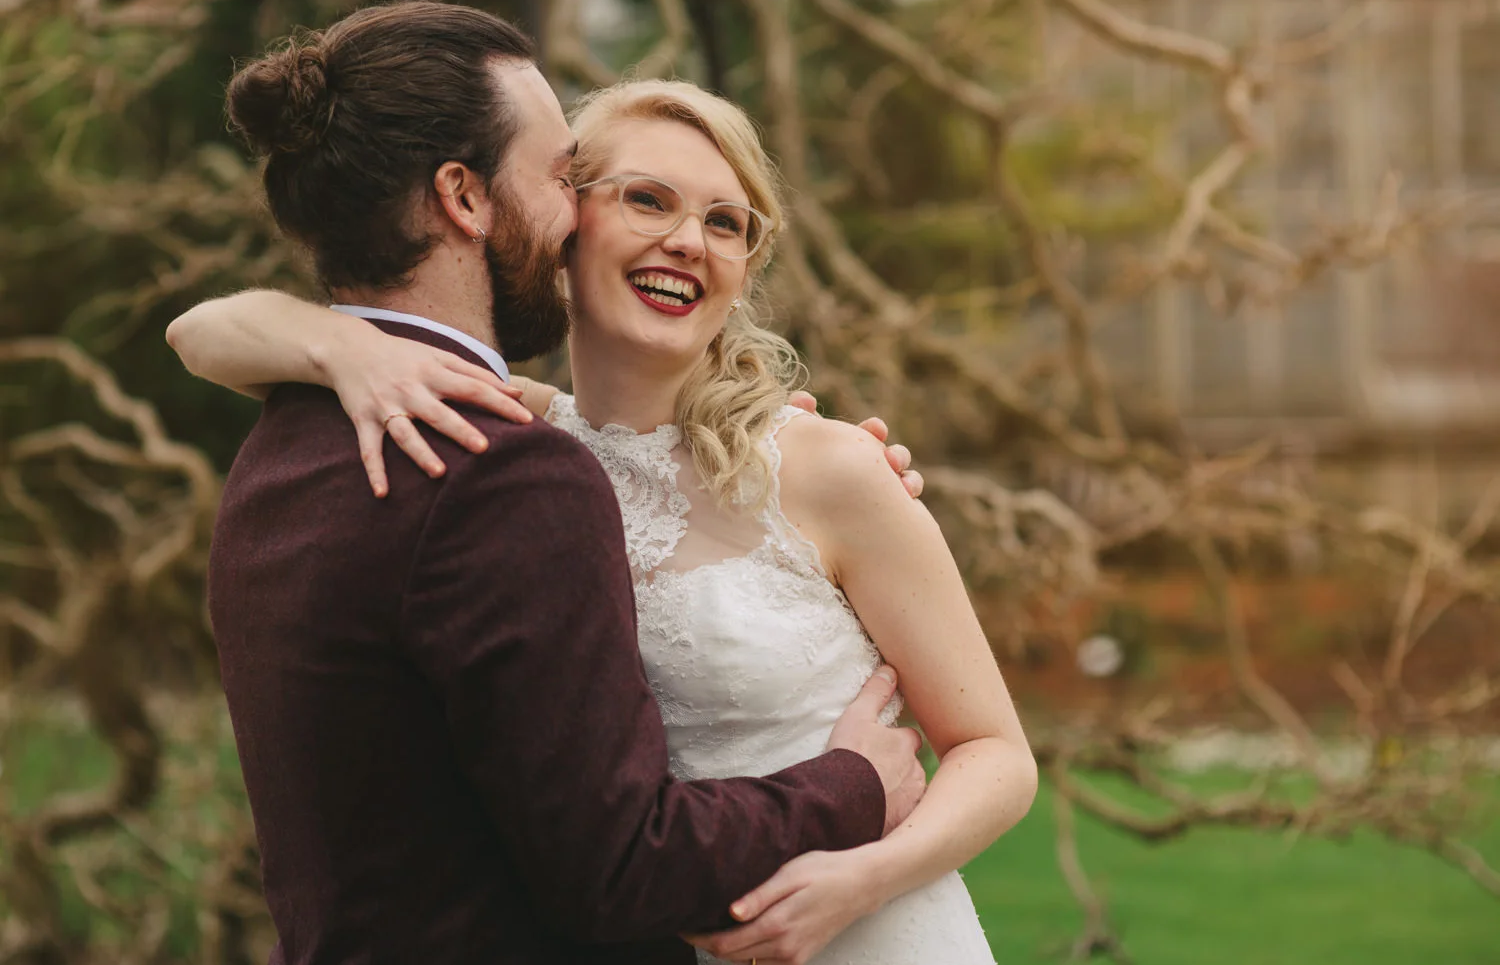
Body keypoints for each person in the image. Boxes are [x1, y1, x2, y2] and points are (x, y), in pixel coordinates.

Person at [172, 55, 1039, 965]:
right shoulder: (524, 443)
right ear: (563, 221)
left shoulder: (831, 468)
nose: (688, 241)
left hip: (859, 926)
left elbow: (997, 751)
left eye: (724, 222)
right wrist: (335, 348)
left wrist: (861, 878)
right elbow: (199, 333)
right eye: (648, 200)